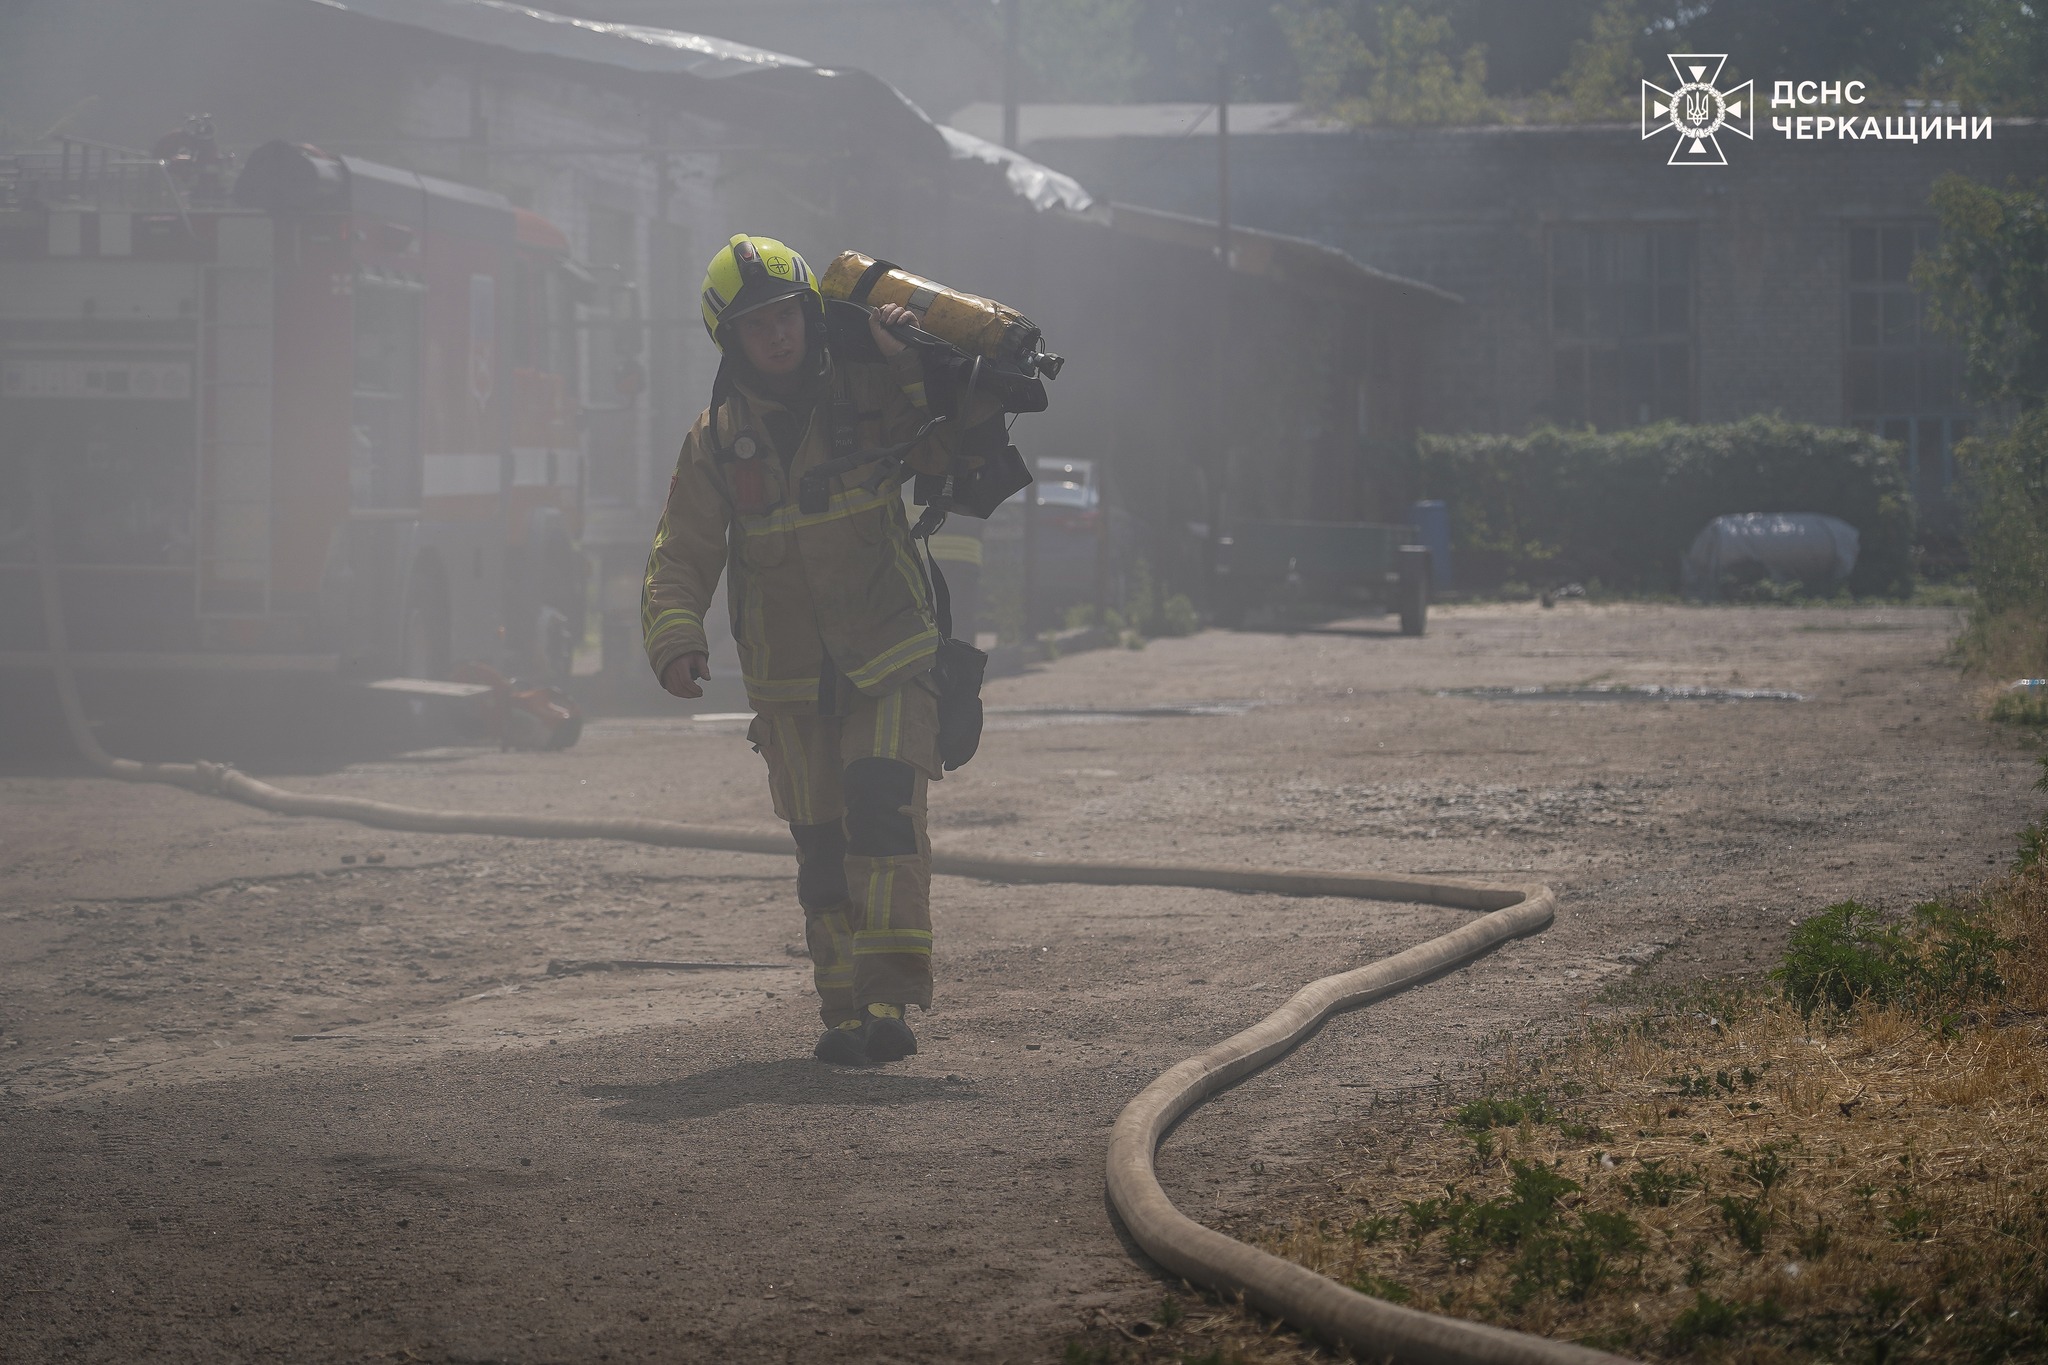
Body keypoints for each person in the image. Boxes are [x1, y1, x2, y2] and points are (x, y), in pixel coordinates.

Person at [642, 234, 992, 1067]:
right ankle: (842, 1009)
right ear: (731, 339)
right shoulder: (717, 439)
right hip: (790, 676)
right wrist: (675, 639)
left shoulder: (871, 391)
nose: (779, 334)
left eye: (789, 314)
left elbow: (946, 451)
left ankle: (889, 999)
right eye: (758, 323)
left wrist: (905, 359)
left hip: (888, 650)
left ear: (810, 314)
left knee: (883, 812)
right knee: (822, 844)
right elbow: (682, 549)